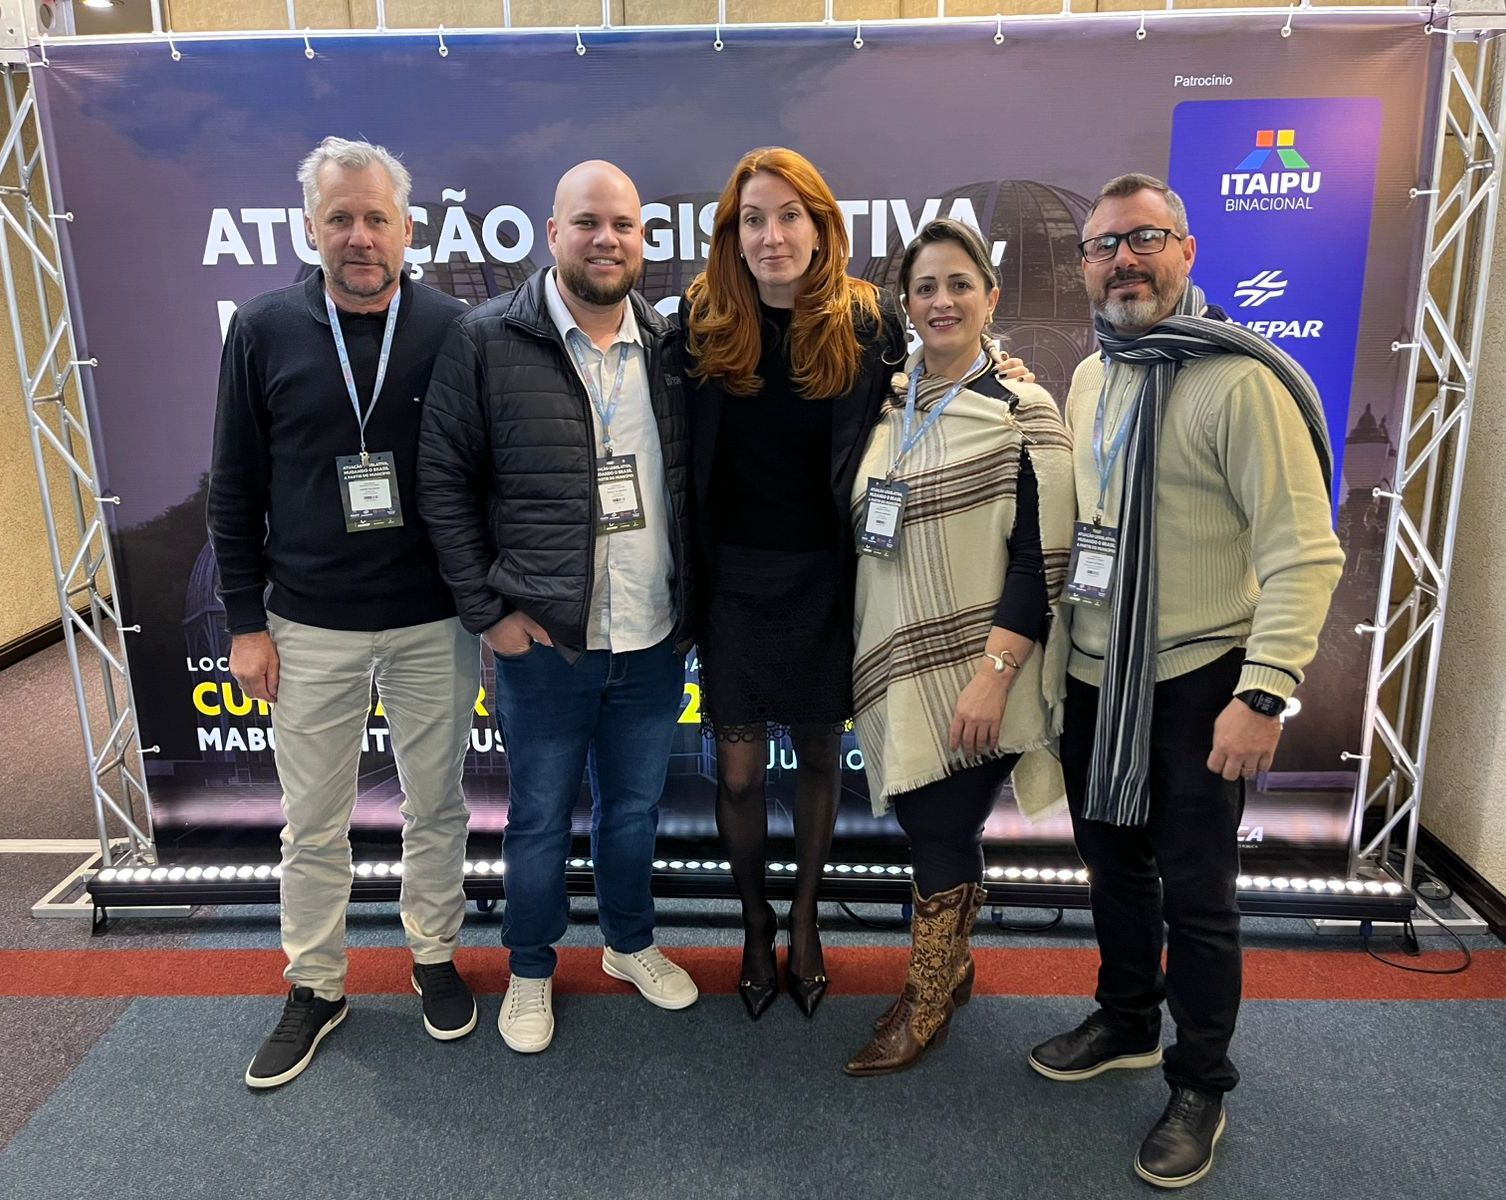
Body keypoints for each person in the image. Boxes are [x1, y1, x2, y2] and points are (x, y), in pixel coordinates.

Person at [1027, 173, 1344, 1188]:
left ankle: (1200, 1080)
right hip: (1096, 677)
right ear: (1085, 267)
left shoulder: (1241, 383)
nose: (1123, 261)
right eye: (1104, 246)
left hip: (1200, 681)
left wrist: (1263, 693)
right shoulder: (1093, 375)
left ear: (1189, 251)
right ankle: (1127, 1019)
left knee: (1199, 898)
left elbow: (1304, 553)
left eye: (1145, 240)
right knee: (1113, 869)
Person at [208, 136, 482, 1090]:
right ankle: (316, 984)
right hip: (307, 623)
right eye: (340, 219)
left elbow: (483, 478)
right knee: (314, 821)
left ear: (407, 229)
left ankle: (434, 955)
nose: (359, 237)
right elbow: (233, 486)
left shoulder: (455, 328)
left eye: (375, 218)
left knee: (437, 804)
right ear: (310, 227)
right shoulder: (263, 329)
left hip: (433, 619)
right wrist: (245, 623)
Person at [417, 160, 698, 1055]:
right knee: (537, 819)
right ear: (552, 234)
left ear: (643, 238)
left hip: (651, 637)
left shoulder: (672, 346)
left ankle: (628, 942)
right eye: (587, 223)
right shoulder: (485, 338)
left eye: (622, 225)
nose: (606, 240)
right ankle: (531, 966)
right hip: (543, 643)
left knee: (633, 813)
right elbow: (442, 486)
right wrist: (488, 614)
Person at [840, 218, 1074, 1076]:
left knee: (940, 822)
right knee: (931, 819)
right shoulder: (890, 398)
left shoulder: (1023, 409)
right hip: (898, 657)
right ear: (906, 304)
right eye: (926, 287)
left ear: (991, 297)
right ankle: (957, 967)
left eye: (959, 284)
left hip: (981, 665)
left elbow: (1043, 558)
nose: (942, 301)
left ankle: (927, 1000)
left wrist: (993, 676)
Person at [679, 147, 906, 1020]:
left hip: (826, 580)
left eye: (788, 217)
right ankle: (755, 921)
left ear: (821, 229)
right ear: (732, 237)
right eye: (753, 220)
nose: (771, 236)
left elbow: (933, 394)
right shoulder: (701, 322)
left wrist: (1008, 379)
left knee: (817, 754)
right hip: (734, 583)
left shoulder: (870, 322)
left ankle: (805, 920)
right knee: (738, 775)